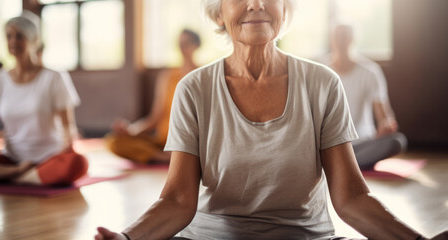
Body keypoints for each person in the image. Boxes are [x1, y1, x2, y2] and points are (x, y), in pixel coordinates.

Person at [95, 0, 447, 239]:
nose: (256, 4)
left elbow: (351, 198)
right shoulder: (194, 88)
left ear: (285, 9)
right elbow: (177, 201)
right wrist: (127, 237)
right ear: (218, 14)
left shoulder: (322, 83)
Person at [0, 11, 88, 186]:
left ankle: (15, 176)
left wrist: (67, 154)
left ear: (34, 39)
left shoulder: (54, 78)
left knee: (79, 163)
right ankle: (20, 174)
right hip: (12, 160)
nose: (13, 41)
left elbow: (67, 127)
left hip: (49, 158)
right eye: (9, 36)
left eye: (20, 36)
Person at [318, 23, 407, 170]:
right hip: (330, 145)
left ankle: (340, 166)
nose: (341, 41)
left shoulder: (370, 71)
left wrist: (386, 125)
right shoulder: (320, 70)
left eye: (345, 36)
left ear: (353, 39)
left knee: (397, 142)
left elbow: (384, 115)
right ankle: (347, 165)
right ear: (332, 39)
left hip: (362, 143)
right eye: (338, 36)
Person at [106, 29, 201, 164]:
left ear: (196, 46)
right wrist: (131, 130)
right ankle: (164, 158)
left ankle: (178, 156)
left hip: (189, 143)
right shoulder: (168, 77)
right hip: (163, 142)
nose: (182, 48)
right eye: (179, 44)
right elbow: (155, 117)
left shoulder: (202, 76)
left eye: (186, 43)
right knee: (113, 141)